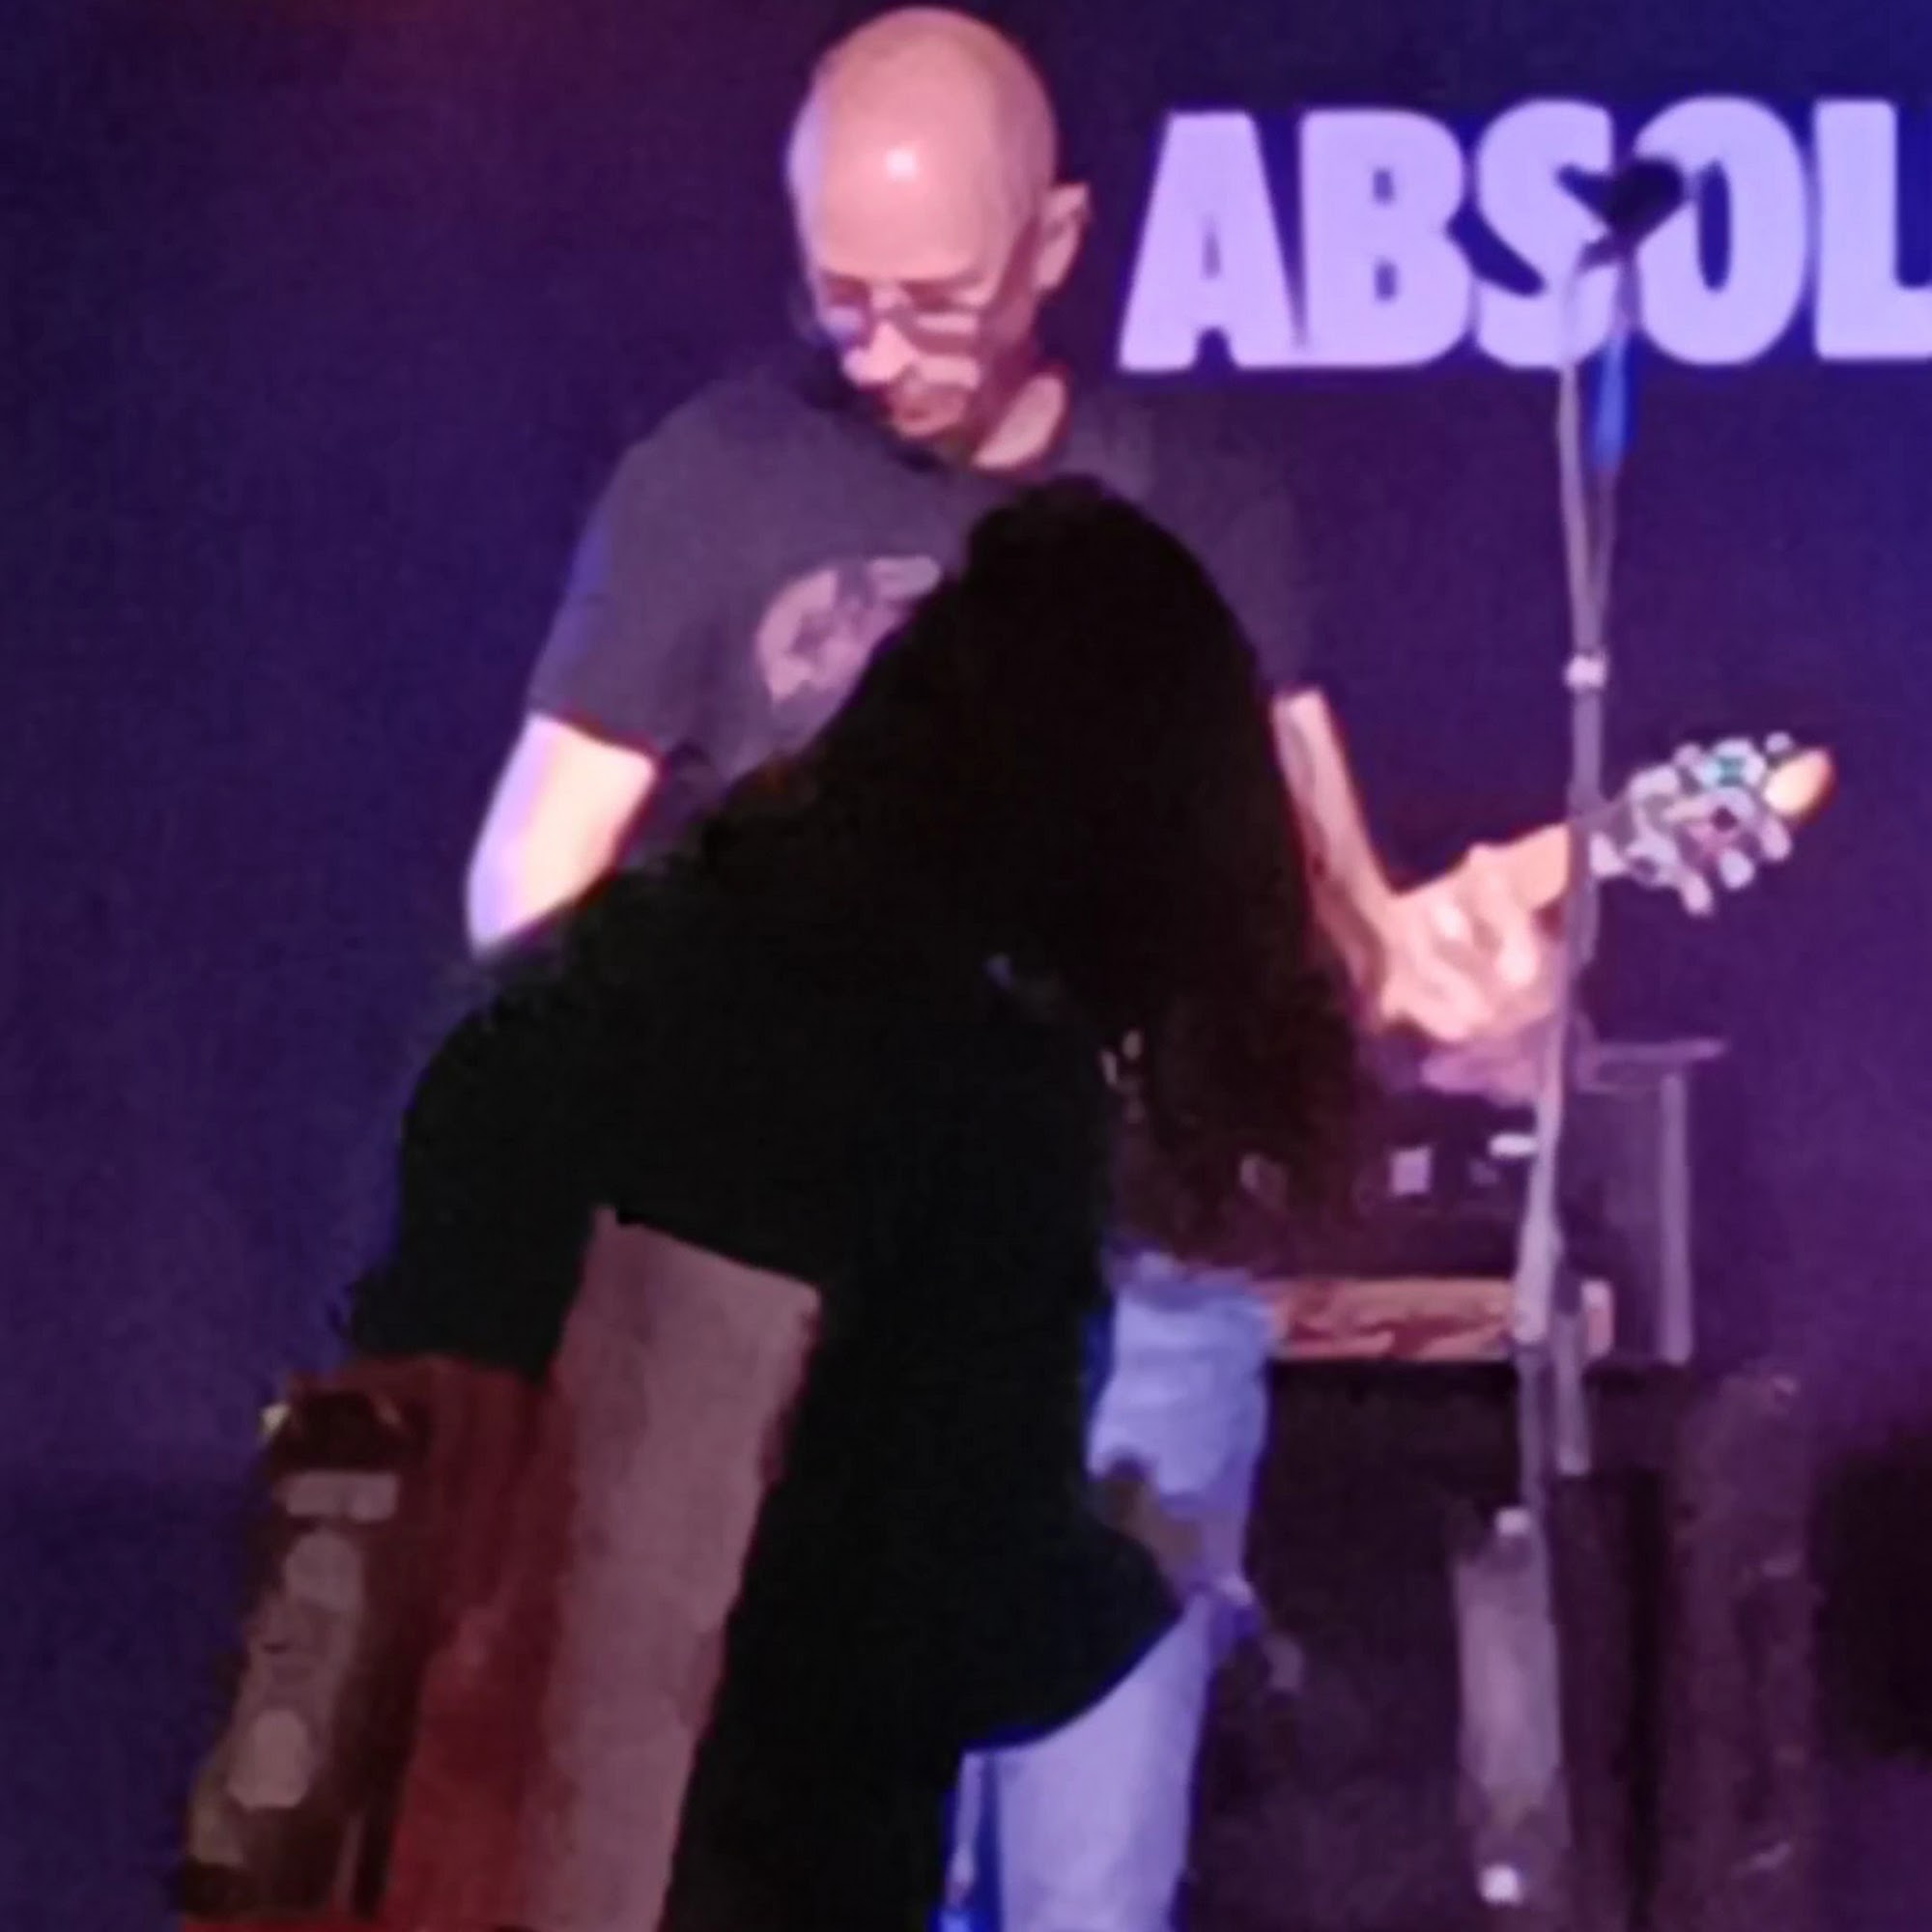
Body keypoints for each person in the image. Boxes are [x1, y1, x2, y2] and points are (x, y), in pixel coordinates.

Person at [459, 12, 1559, 1930]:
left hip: (1122, 1297)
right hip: (781, 1319)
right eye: (840, 299)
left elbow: (1336, 931)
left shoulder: (1188, 504)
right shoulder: (712, 484)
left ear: (1051, 247)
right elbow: (523, 897)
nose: (880, 353)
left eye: (935, 305)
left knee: (1078, 1902)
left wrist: (1484, 1012)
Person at [350, 481, 1360, 1932]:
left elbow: (376, 1505)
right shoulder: (970, 1088)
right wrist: (1154, 1546)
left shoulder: (547, 1002)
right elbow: (952, 1622)